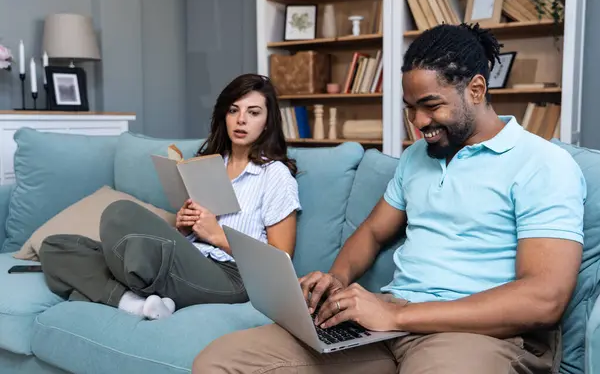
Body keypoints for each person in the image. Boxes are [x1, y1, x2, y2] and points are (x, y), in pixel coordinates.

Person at [192, 23, 586, 373]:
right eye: (411, 109)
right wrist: (335, 279)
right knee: (220, 361)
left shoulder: (543, 164)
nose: (418, 124)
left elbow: (543, 298)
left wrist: (399, 314)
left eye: (431, 106)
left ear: (477, 89)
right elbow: (373, 232)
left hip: (479, 334)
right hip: (387, 324)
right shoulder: (417, 159)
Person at [39, 73, 301, 320]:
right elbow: (186, 239)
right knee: (54, 247)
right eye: (234, 110)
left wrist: (216, 236)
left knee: (119, 213)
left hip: (232, 277)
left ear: (268, 122)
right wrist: (184, 227)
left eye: (253, 112)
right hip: (189, 259)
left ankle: (121, 286)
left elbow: (280, 263)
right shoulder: (209, 164)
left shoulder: (274, 175)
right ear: (225, 116)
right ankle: (135, 303)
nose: (241, 119)